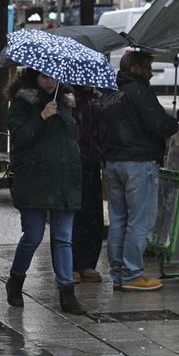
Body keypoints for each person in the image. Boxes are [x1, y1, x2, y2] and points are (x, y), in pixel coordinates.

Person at [5, 68, 86, 315]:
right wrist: (41, 117)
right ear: (34, 78)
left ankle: (67, 293)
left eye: (53, 76)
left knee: (63, 239)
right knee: (33, 236)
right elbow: (19, 138)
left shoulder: (66, 101)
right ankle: (16, 280)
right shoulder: (22, 102)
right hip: (34, 180)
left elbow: (71, 138)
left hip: (64, 182)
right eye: (44, 76)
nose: (49, 81)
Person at [101, 51, 178, 292]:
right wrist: (172, 124)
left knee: (118, 220)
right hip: (139, 162)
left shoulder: (111, 91)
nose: (151, 73)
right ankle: (133, 273)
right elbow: (158, 123)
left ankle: (118, 273)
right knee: (140, 220)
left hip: (114, 163)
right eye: (147, 68)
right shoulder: (139, 91)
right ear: (135, 68)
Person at [72, 86, 105, 283]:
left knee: (93, 215)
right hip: (73, 163)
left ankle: (87, 263)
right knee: (74, 215)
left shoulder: (96, 98)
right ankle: (71, 265)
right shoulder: (66, 98)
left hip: (93, 162)